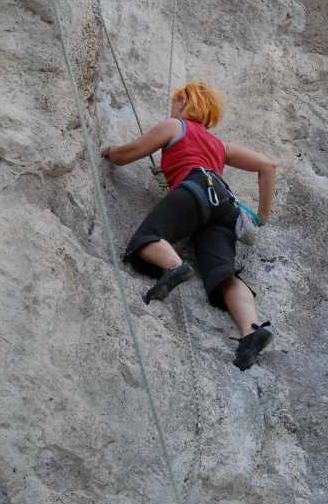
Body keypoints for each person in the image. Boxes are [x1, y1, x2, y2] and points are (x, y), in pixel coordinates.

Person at [100, 81, 276, 371]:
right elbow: (267, 166)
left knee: (147, 238)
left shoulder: (174, 126)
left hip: (195, 190)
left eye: (175, 102)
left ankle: (174, 265)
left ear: (183, 101)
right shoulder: (220, 145)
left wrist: (109, 151)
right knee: (223, 274)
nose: (172, 107)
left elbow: (128, 153)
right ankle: (251, 330)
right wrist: (261, 217)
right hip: (225, 207)